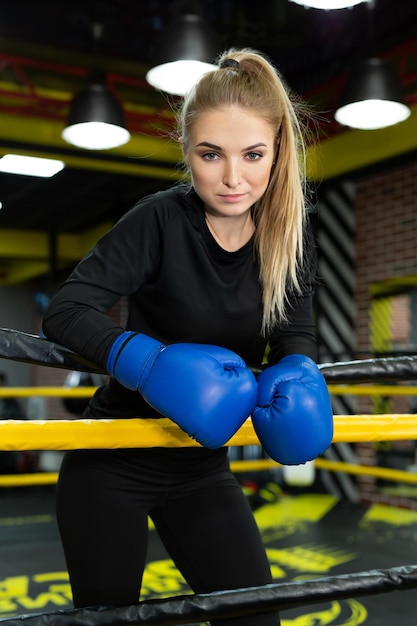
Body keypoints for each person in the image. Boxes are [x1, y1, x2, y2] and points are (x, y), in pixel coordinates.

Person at [42, 48, 333, 625]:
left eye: (253, 155)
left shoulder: (290, 236)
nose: (232, 178)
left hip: (202, 470)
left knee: (255, 616)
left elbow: (295, 332)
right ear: (187, 153)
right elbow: (68, 309)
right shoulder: (159, 220)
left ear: (278, 153)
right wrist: (147, 363)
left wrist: (299, 370)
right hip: (111, 462)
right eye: (210, 155)